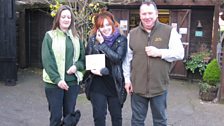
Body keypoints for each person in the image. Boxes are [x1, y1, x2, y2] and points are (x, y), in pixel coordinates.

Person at [122, 1, 184, 126]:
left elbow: (180, 53)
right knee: (137, 121)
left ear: (156, 14)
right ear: (140, 15)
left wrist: (160, 53)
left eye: (150, 13)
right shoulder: (132, 34)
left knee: (160, 121)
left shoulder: (169, 31)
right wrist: (127, 80)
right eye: (144, 13)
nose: (147, 17)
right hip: (137, 87)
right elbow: (127, 60)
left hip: (159, 87)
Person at [41, 5, 85, 126]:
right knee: (55, 117)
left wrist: (76, 67)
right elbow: (47, 60)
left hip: (72, 84)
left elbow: (82, 60)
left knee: (69, 117)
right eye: (63, 16)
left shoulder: (76, 38)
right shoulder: (49, 36)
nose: (66, 19)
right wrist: (58, 80)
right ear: (58, 18)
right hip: (54, 84)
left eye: (69, 17)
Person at [85, 10, 127, 126]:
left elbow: (118, 58)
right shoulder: (93, 40)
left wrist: (102, 43)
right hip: (97, 84)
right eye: (102, 26)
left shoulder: (121, 39)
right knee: (99, 118)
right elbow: (87, 59)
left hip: (114, 84)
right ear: (98, 28)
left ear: (113, 24)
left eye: (108, 24)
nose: (106, 28)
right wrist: (92, 69)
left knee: (117, 118)